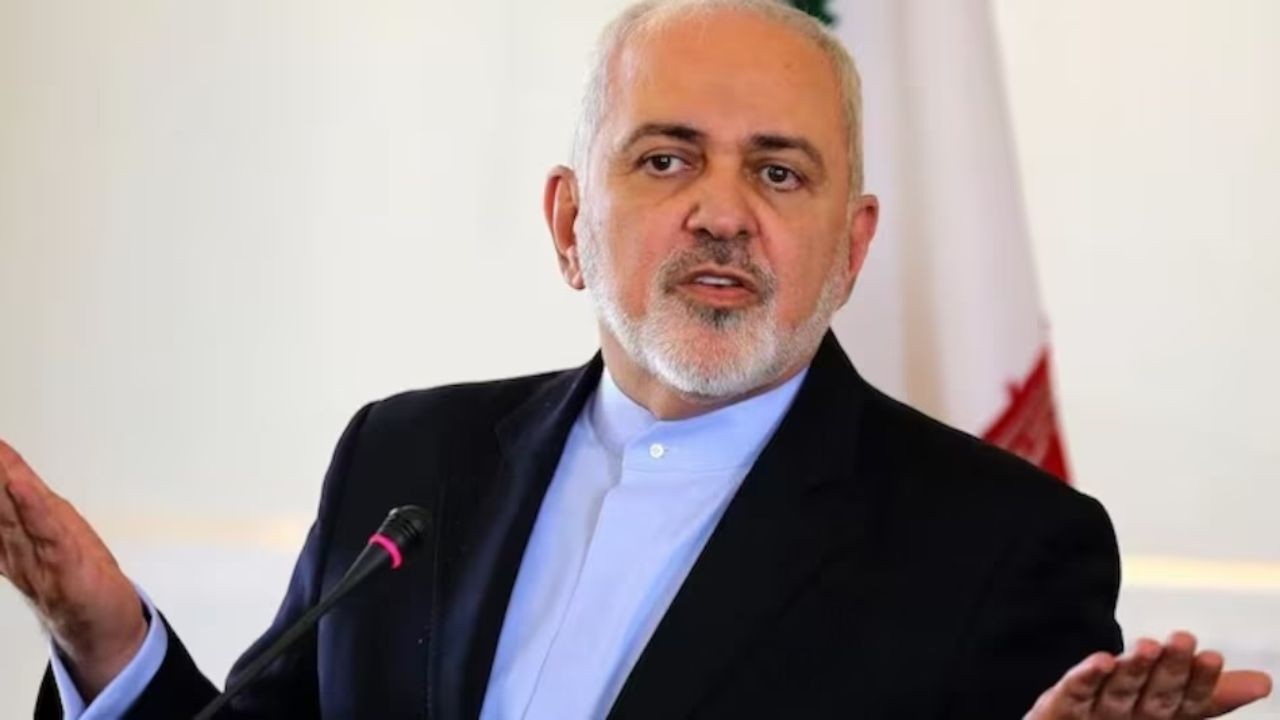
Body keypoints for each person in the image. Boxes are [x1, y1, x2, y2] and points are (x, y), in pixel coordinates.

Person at [0, 0, 1271, 718]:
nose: (722, 212)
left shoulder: (998, 545)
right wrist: (107, 641)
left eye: (778, 173)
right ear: (568, 223)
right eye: (665, 159)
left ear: (851, 248)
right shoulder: (407, 460)